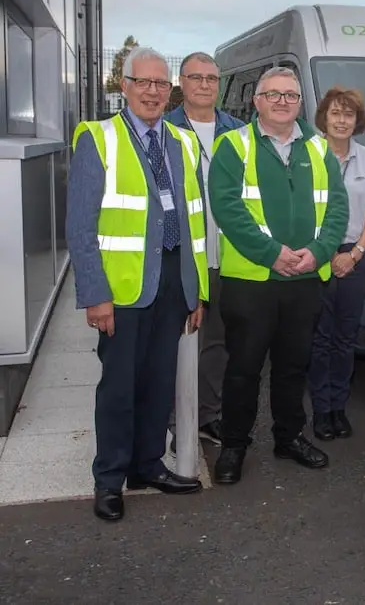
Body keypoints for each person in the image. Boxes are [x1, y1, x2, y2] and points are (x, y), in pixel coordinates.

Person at [66, 46, 209, 521]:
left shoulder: (182, 142)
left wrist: (196, 291)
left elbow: (194, 225)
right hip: (122, 289)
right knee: (119, 388)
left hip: (171, 280)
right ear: (123, 86)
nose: (152, 91)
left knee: (157, 383)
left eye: (159, 84)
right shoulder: (97, 138)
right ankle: (109, 479)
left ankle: (148, 465)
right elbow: (80, 228)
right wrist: (95, 295)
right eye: (142, 82)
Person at [208, 67, 349, 485]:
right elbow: (228, 208)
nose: (283, 101)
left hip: (305, 279)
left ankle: (289, 437)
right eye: (274, 95)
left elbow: (337, 208)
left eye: (290, 95)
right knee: (244, 368)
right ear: (257, 101)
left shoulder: (320, 147)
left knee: (293, 367)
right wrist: (273, 255)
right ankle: (234, 445)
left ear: (300, 103)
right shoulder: (233, 145)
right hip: (251, 281)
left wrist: (319, 252)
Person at [164, 51, 245, 448]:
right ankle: (173, 421)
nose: (204, 85)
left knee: (216, 342)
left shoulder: (238, 130)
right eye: (195, 77)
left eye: (212, 78)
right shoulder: (164, 128)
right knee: (177, 340)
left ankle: (207, 416)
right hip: (183, 253)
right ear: (181, 82)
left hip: (228, 254)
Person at [307, 87, 365, 440]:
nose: (341, 120)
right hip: (317, 254)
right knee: (319, 338)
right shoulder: (307, 152)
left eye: (348, 115)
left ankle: (339, 406)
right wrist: (326, 253)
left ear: (358, 121)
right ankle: (321, 410)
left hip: (356, 255)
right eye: (335, 113)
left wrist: (355, 254)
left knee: (346, 337)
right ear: (324, 117)